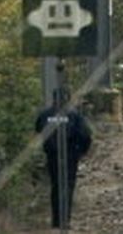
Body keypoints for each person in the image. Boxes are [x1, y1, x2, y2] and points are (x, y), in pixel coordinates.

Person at [35, 88, 93, 229]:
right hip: (70, 156)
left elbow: (38, 129)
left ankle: (56, 221)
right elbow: (85, 135)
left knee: (56, 186)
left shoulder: (45, 114)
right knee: (67, 186)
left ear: (54, 98)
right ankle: (65, 221)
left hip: (52, 156)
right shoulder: (74, 115)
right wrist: (82, 151)